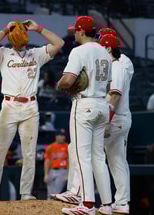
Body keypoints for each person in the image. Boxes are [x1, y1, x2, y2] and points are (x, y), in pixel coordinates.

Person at [0, 19, 64, 201]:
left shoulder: (36, 54)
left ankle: (26, 193)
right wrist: (6, 29)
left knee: (29, 152)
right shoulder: (3, 54)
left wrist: (38, 28)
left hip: (30, 106)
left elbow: (59, 43)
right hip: (9, 105)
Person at [56, 16, 112, 215]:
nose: (75, 34)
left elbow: (69, 78)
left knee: (82, 156)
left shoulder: (79, 50)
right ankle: (106, 205)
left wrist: (60, 84)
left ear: (80, 31)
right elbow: (108, 84)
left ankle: (87, 204)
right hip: (102, 104)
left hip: (85, 104)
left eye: (75, 31)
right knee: (98, 157)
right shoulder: (105, 53)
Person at [100, 34, 133, 214]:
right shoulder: (115, 65)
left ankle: (86, 197)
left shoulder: (118, 65)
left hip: (114, 119)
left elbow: (115, 95)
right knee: (117, 160)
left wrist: (106, 121)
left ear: (108, 48)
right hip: (119, 118)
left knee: (88, 153)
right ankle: (121, 203)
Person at [44, 129, 69, 200]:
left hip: (63, 171)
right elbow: (47, 161)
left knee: (56, 193)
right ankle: (48, 210)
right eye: (61, 135)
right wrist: (46, 174)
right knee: (49, 194)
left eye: (64, 135)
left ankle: (54, 209)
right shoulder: (50, 147)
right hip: (52, 171)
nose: (63, 137)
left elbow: (70, 161)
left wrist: (67, 174)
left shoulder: (67, 146)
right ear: (56, 136)